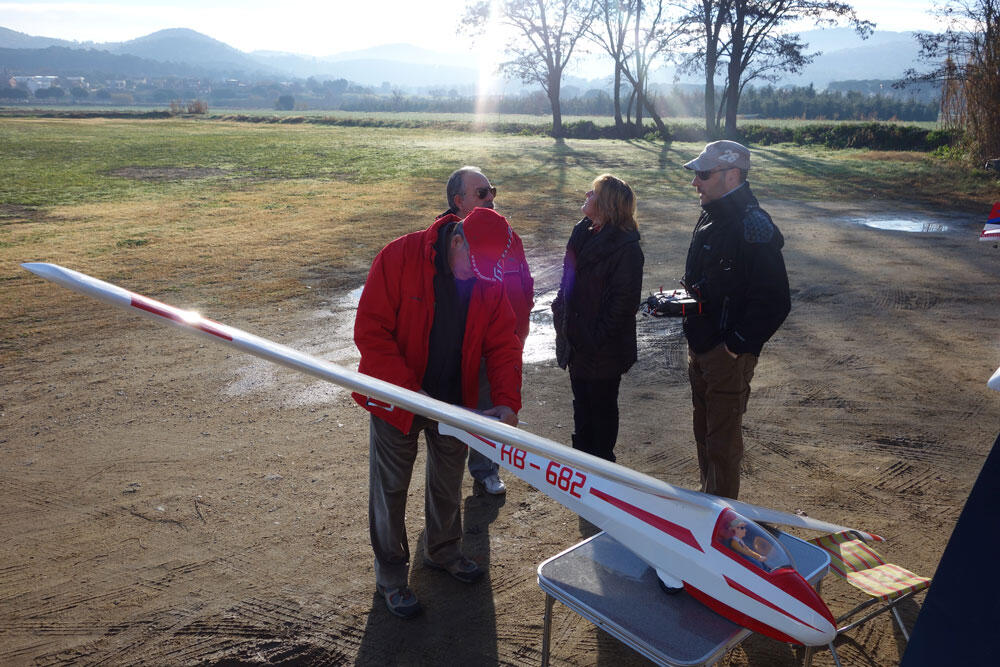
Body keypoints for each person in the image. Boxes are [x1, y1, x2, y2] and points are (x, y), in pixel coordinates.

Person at [353, 206, 523, 619]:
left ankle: (443, 550)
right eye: (472, 269)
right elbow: (371, 332)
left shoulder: (488, 277)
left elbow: (503, 342)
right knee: (391, 488)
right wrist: (410, 393)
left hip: (454, 399)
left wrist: (506, 400)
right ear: (457, 240)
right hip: (398, 398)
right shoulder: (399, 256)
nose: (476, 279)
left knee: (448, 480)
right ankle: (391, 576)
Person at [681, 140, 790, 500]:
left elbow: (775, 300)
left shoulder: (752, 225)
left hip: (725, 354)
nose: (695, 182)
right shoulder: (713, 214)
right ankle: (707, 503)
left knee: (723, 444)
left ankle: (722, 519)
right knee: (704, 433)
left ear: (731, 176)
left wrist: (735, 346)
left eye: (703, 174)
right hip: (701, 345)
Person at [438, 166, 534, 495]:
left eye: (493, 190)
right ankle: (447, 484)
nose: (491, 197)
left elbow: (524, 279)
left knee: (492, 406)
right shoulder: (447, 243)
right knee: (453, 416)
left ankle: (486, 469)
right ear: (459, 201)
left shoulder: (506, 235)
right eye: (482, 193)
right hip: (462, 346)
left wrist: (521, 321)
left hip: (502, 341)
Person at [552, 174, 644, 462]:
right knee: (581, 410)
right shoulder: (582, 231)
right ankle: (582, 468)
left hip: (603, 351)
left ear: (606, 203)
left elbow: (623, 305)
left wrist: (594, 339)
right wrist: (560, 313)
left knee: (601, 414)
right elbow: (566, 279)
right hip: (577, 343)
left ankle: (603, 473)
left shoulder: (626, 248)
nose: (586, 195)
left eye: (592, 193)